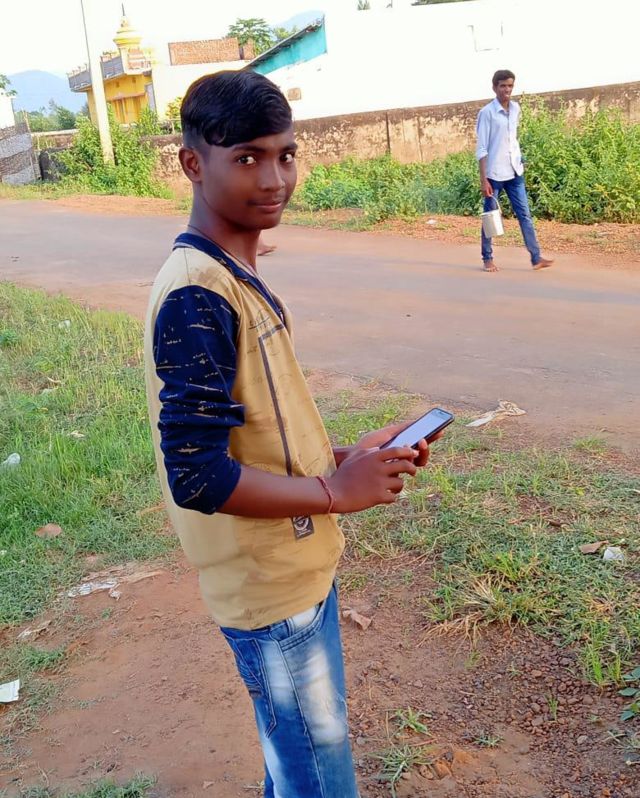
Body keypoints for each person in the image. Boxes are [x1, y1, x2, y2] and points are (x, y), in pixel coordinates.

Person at [143, 70, 440, 798]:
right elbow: (198, 473)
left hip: (293, 572)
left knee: (298, 769)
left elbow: (251, 433)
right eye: (247, 158)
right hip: (270, 591)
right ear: (192, 163)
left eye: (285, 155)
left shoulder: (231, 271)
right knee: (318, 781)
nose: (274, 179)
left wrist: (347, 459)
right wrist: (334, 493)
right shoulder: (197, 293)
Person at [476, 69, 553, 273]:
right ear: (494, 88)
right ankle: (487, 258)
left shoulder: (516, 109)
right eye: (503, 86)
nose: (507, 90)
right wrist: (483, 180)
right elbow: (482, 148)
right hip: (494, 174)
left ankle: (536, 257)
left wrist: (520, 159)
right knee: (491, 217)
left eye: (510, 86)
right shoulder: (487, 113)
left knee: (525, 215)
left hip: (514, 172)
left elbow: (512, 139)